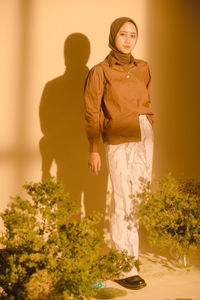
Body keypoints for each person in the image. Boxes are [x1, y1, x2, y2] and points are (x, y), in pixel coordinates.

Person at [83, 17, 154, 290]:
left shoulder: (144, 68)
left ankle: (131, 259)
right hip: (118, 139)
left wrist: (148, 122)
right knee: (123, 200)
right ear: (113, 36)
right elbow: (92, 112)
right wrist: (93, 148)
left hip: (144, 135)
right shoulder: (100, 71)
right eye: (122, 34)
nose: (128, 39)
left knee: (138, 200)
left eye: (133, 35)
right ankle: (124, 266)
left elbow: (146, 99)